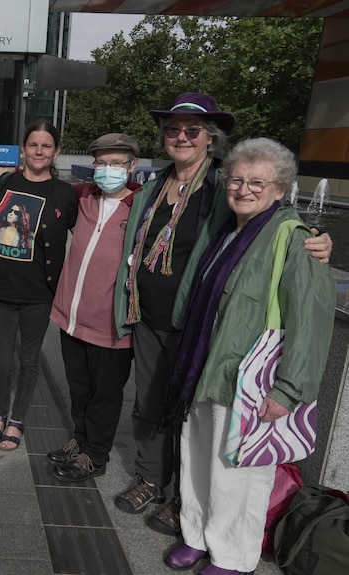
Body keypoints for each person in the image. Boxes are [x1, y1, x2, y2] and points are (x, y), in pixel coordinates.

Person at [113, 92, 333, 535]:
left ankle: (181, 498)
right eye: (173, 129)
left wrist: (314, 238)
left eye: (192, 130)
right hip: (149, 316)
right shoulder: (155, 186)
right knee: (149, 404)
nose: (181, 137)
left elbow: (268, 212)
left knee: (190, 411)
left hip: (198, 323)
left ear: (209, 139)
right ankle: (150, 476)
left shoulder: (222, 183)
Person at [162, 138, 334, 575]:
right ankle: (197, 535)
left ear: (280, 189)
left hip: (249, 380)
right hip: (206, 369)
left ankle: (234, 555)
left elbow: (310, 325)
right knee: (198, 458)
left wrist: (288, 391)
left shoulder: (296, 240)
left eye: (258, 181)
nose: (244, 188)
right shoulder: (230, 231)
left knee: (239, 472)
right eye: (237, 179)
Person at [47, 133, 142, 481]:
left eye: (116, 163)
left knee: (105, 394)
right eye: (101, 163)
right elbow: (48, 193)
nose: (108, 170)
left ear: (132, 167)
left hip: (112, 324)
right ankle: (81, 439)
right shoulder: (83, 196)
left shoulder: (142, 206)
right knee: (79, 387)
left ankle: (96, 455)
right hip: (72, 317)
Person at [0, 121, 78, 450]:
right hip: (0, 290)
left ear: (56, 152)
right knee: (1, 361)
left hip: (38, 294)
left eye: (46, 146)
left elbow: (84, 235)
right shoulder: (5, 182)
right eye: (33, 144)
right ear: (23, 149)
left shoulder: (64, 194)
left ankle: (18, 418)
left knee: (29, 360)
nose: (39, 151)